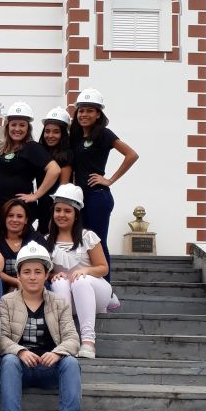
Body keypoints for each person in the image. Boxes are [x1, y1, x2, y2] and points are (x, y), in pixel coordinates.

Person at [0, 240, 86, 411]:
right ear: (19, 275)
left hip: (49, 368)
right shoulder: (7, 301)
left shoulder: (59, 302)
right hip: (20, 369)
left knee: (71, 362)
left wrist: (57, 353)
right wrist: (20, 351)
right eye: (26, 272)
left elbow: (73, 338)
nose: (32, 277)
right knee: (8, 360)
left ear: (46, 275)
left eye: (38, 272)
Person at [70, 87, 139, 274]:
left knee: (98, 242)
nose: (84, 114)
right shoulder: (74, 136)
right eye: (81, 111)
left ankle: (105, 286)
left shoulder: (104, 134)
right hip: (78, 198)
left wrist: (110, 180)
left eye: (89, 110)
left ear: (98, 114)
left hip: (97, 197)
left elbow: (132, 155)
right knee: (81, 242)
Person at [45, 184, 112, 360]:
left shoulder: (87, 236)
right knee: (59, 282)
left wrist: (85, 271)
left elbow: (103, 268)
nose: (61, 215)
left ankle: (88, 341)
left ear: (76, 214)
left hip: (94, 293)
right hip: (66, 297)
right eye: (58, 210)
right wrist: (52, 275)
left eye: (67, 211)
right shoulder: (46, 240)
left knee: (80, 280)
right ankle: (68, 338)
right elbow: (42, 272)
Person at [0, 102, 60, 232]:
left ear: (28, 128)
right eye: (14, 124)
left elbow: (54, 170)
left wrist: (36, 195)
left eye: (22, 125)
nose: (17, 129)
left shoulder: (31, 147)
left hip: (17, 212)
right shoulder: (3, 150)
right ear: (8, 126)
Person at [0, 198, 41, 294]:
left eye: (19, 216)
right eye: (10, 215)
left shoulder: (36, 239)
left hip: (32, 284)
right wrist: (15, 282)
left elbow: (43, 268)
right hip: (2, 286)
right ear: (4, 218)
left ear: (26, 220)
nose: (15, 220)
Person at [37, 107, 73, 234]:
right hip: (42, 205)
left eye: (56, 132)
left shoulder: (66, 154)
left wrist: (56, 215)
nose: (50, 135)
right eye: (47, 131)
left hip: (55, 206)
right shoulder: (41, 152)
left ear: (63, 134)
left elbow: (63, 187)